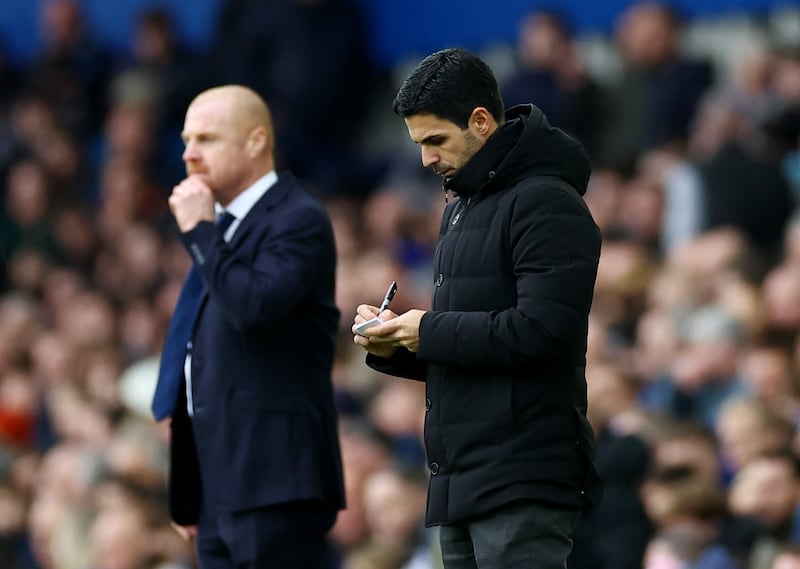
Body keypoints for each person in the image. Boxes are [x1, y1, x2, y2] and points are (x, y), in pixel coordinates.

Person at [352, 47, 603, 568]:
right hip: (463, 480)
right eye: (419, 144)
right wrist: (396, 342)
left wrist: (429, 331)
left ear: (481, 122)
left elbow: (541, 334)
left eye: (436, 141)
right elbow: (478, 351)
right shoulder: (464, 206)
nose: (426, 159)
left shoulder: (546, 202)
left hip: (522, 475)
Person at [151, 84, 345, 568]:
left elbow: (253, 306)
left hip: (275, 483)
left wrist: (199, 231)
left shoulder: (297, 217)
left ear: (257, 141)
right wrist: (189, 483)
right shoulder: (227, 226)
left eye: (207, 139)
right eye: (186, 139)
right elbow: (199, 355)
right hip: (219, 488)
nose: (189, 154)